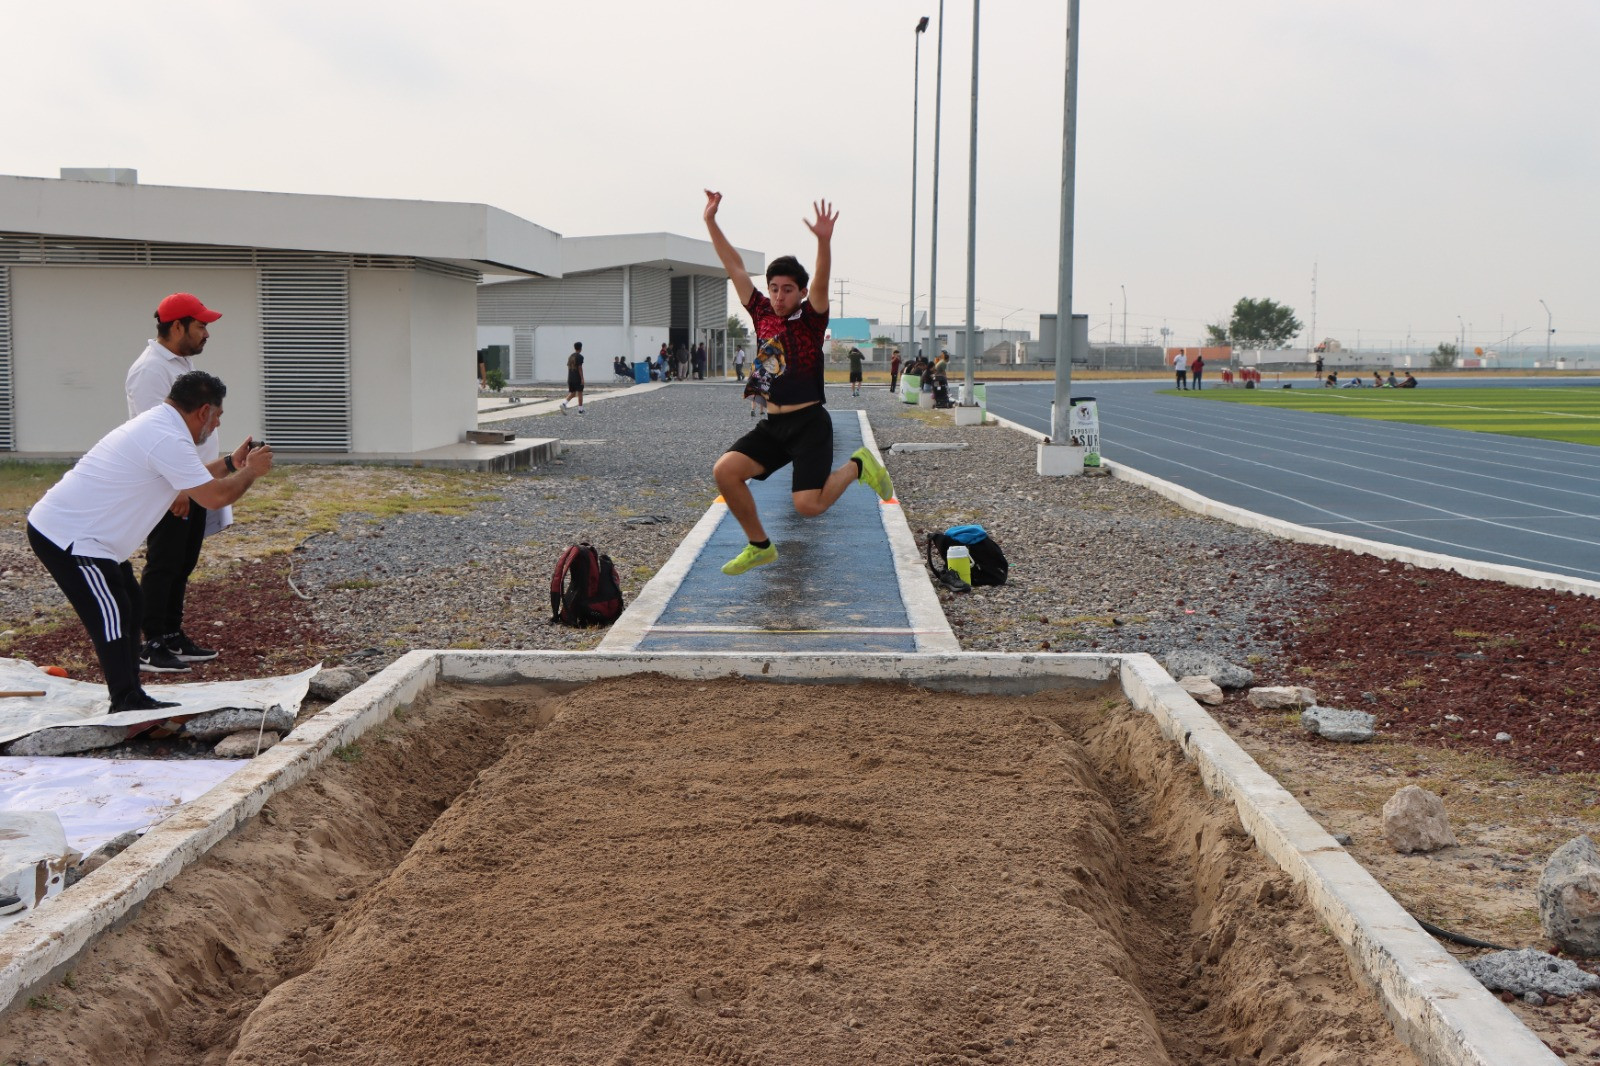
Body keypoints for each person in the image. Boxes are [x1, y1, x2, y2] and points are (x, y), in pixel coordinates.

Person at [27, 371, 272, 712]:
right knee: (111, 612)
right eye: (217, 417)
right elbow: (214, 498)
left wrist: (232, 462)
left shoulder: (163, 427)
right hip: (69, 536)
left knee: (131, 605)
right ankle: (125, 700)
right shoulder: (165, 437)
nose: (216, 426)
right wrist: (251, 472)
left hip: (92, 538)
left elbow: (196, 480)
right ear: (203, 411)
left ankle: (131, 696)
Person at [702, 189, 893, 576]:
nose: (778, 295)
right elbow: (735, 268)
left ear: (801, 293)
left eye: (787, 289)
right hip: (774, 425)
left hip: (809, 425)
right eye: (774, 288)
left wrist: (824, 241)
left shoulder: (812, 318)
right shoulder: (760, 313)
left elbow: (821, 280)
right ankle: (759, 546)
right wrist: (711, 221)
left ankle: (859, 465)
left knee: (809, 506)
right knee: (725, 470)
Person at [125, 292, 229, 674]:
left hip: (194, 480)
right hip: (174, 485)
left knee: (183, 562)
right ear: (177, 325)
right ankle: (150, 643)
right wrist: (178, 489)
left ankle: (171, 635)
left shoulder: (179, 364)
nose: (206, 333)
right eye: (200, 325)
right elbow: (157, 434)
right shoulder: (152, 370)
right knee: (164, 561)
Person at [561, 342, 585, 413]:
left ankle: (564, 404)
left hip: (570, 377)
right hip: (577, 378)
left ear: (575, 348)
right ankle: (580, 410)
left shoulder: (571, 356)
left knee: (573, 393)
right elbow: (580, 367)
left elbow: (568, 366)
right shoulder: (580, 357)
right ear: (581, 348)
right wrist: (582, 378)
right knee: (580, 393)